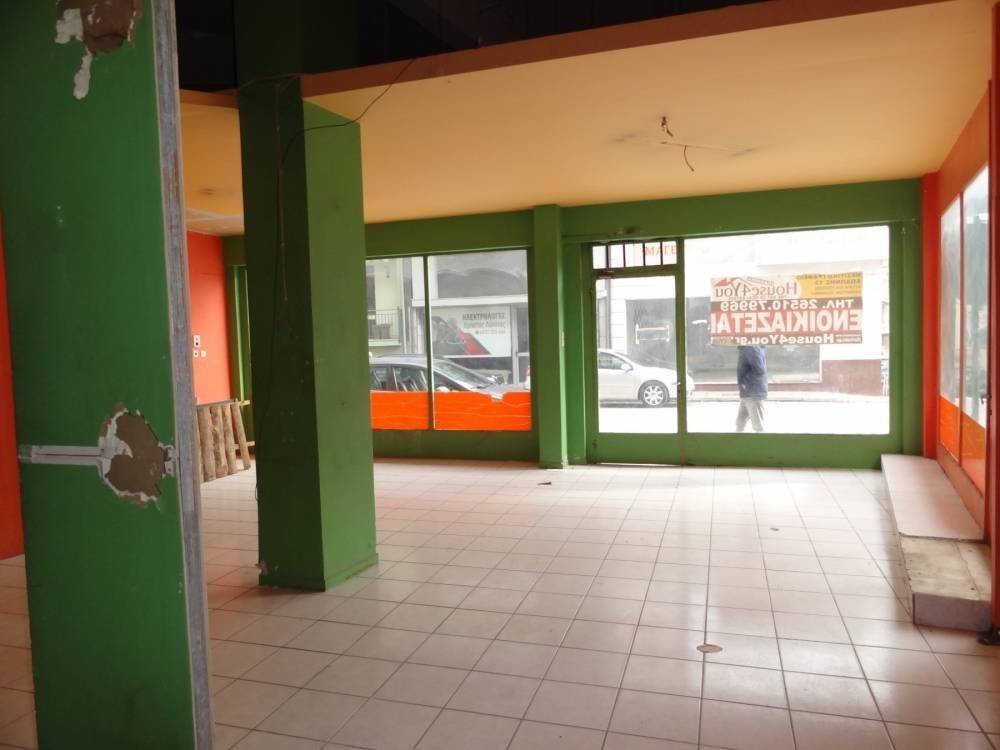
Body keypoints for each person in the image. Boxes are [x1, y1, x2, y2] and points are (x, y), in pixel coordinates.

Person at [736, 344, 767, 432]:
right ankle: (737, 439)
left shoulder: (751, 348)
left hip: (752, 392)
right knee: (740, 423)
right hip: (747, 392)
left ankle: (762, 441)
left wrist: (746, 384)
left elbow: (759, 370)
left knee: (757, 425)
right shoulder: (747, 348)